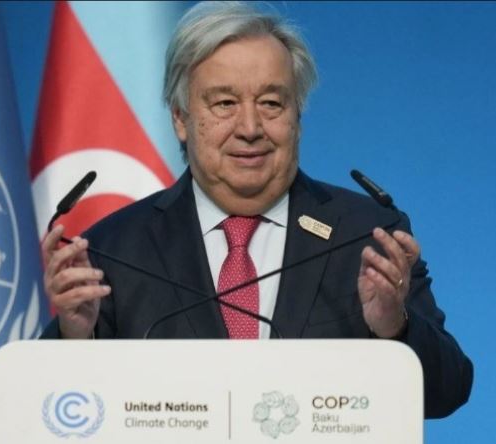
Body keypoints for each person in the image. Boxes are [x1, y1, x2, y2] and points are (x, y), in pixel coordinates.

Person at [39, 1, 472, 418]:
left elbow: (447, 392)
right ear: (180, 119)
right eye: (224, 103)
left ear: (297, 116)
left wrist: (394, 327)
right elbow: (54, 410)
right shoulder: (114, 250)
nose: (250, 128)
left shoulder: (365, 235)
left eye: (271, 103)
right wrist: (77, 339)